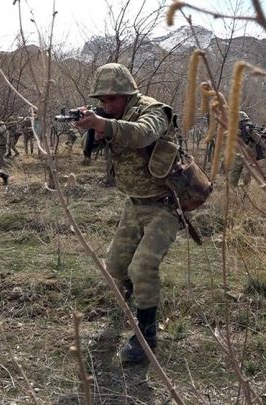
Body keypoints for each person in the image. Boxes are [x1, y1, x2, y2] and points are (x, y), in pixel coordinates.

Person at [75, 63, 180, 363]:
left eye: (111, 99)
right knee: (116, 266)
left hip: (165, 204)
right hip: (134, 203)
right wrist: (94, 131)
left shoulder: (155, 111)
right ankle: (138, 300)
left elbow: (143, 135)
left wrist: (102, 123)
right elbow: (92, 151)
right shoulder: (112, 116)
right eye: (102, 101)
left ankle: (146, 337)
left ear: (127, 94)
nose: (106, 105)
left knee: (142, 266)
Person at [228, 111, 265, 186]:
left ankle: (245, 191)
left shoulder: (249, 129)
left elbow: (260, 140)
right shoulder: (234, 130)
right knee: (234, 175)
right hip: (238, 154)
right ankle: (233, 191)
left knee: (246, 175)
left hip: (249, 156)